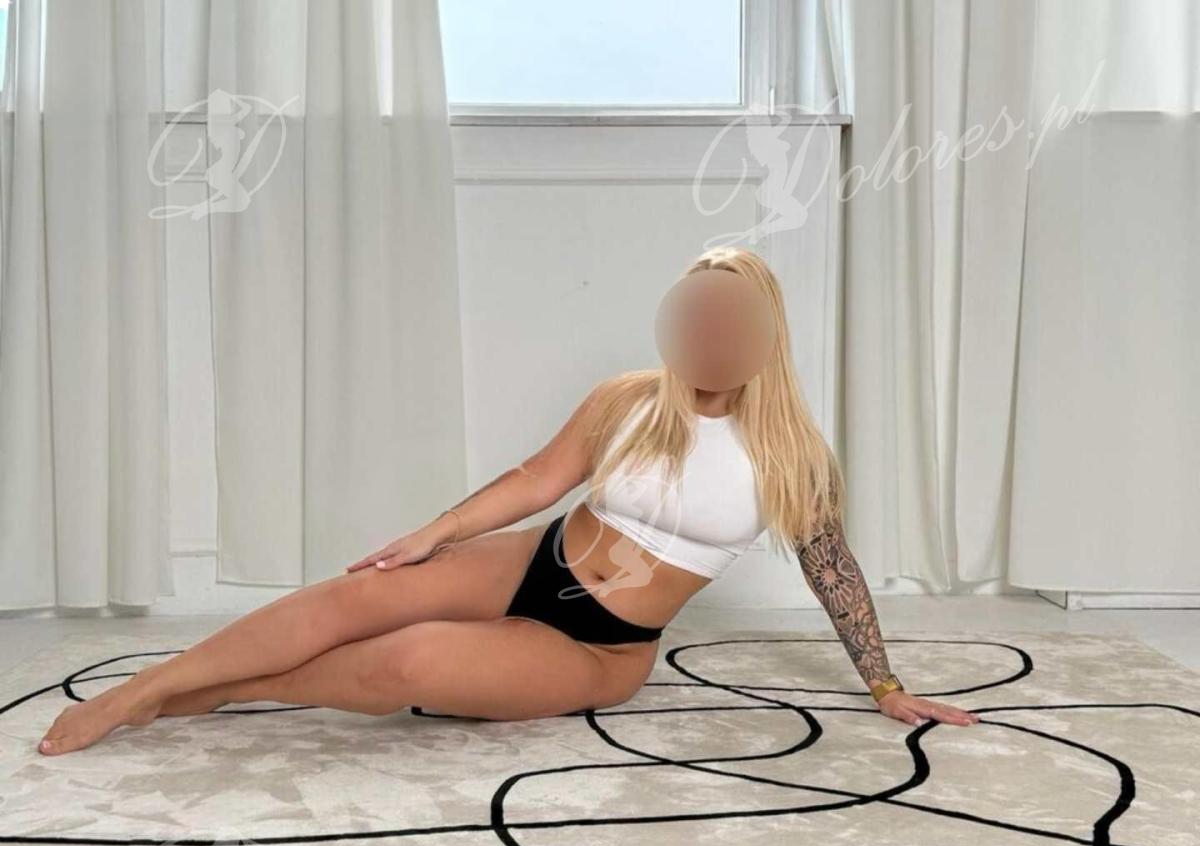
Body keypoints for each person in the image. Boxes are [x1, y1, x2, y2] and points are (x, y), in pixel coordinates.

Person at [37, 246, 978, 756]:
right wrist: (432, 535)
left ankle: (232, 689)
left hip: (598, 646)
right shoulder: (626, 398)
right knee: (357, 595)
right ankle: (144, 691)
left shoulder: (793, 453)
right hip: (533, 561)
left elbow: (833, 571)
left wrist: (885, 686)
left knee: (405, 663)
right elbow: (537, 479)